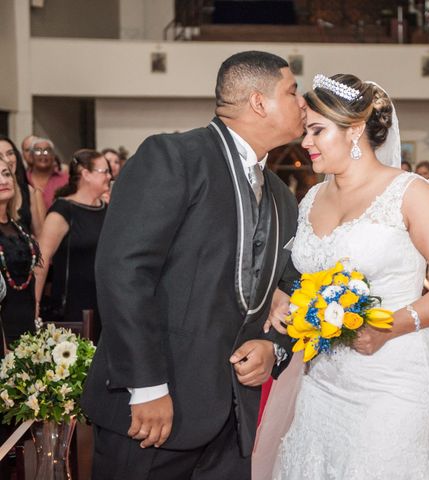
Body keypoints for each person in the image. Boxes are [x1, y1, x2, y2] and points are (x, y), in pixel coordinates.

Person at [81, 51, 305, 480]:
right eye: (292, 92)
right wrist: (146, 386)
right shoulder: (174, 157)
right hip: (153, 410)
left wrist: (274, 345)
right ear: (258, 102)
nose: (302, 103)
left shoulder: (281, 195)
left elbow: (294, 284)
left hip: (232, 416)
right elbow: (124, 271)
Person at [257, 73, 429, 479]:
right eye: (306, 131)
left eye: (317, 131)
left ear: (355, 129)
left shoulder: (412, 194)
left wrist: (389, 327)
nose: (305, 142)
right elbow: (307, 276)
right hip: (322, 376)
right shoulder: (311, 199)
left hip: (394, 375)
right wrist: (282, 297)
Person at [34, 149, 110, 340]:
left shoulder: (107, 209)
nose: (109, 176)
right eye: (104, 171)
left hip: (104, 304)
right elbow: (42, 259)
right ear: (86, 174)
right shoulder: (63, 210)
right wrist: (34, 304)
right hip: (72, 307)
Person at [0, 158, 41, 350]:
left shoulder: (19, 227)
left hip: (27, 330)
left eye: (6, 174)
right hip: (4, 332)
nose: (3, 180)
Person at [0, 136, 46, 236]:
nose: (7, 160)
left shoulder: (28, 190)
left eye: (10, 153)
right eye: (0, 156)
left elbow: (39, 234)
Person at [26, 137, 69, 210]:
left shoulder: (66, 180)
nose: (43, 154)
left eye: (47, 151)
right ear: (31, 156)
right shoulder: (23, 179)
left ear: (53, 156)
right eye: (38, 151)